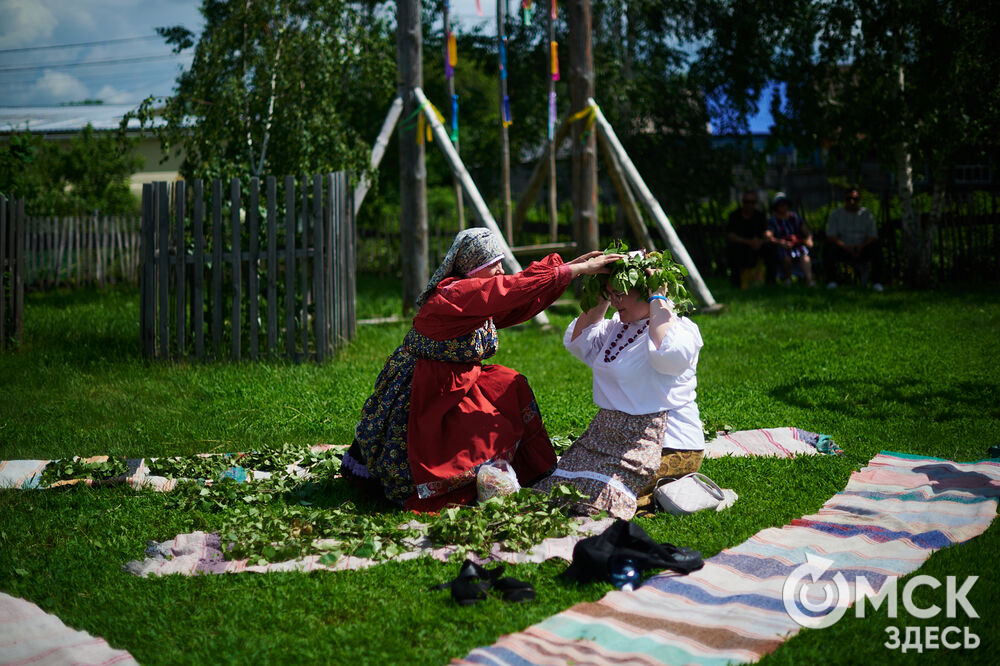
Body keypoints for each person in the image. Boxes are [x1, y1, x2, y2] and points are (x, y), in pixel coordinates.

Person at [343, 228, 622, 512]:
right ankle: (457, 479)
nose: (501, 271)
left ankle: (520, 468)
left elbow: (520, 300)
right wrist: (576, 269)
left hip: (457, 378)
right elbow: (511, 289)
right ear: (473, 267)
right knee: (476, 427)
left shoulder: (476, 296)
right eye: (493, 265)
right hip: (430, 387)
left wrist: (573, 267)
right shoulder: (457, 293)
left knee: (509, 384)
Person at [532, 255, 705, 520]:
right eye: (610, 293)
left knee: (596, 499)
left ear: (646, 292)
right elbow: (578, 342)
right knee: (561, 488)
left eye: (620, 293)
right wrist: (599, 293)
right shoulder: (616, 328)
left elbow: (668, 355)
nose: (614, 301)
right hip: (610, 436)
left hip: (664, 442)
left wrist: (658, 296)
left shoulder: (679, 330)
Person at [825, 188, 884, 291]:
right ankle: (832, 281)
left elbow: (873, 236)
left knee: (877, 248)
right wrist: (846, 247)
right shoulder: (836, 214)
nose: (852, 201)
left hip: (862, 247)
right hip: (843, 248)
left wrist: (861, 247)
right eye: (849, 198)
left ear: (859, 200)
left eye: (855, 199)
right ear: (844, 199)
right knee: (829, 248)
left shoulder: (866, 214)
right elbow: (831, 236)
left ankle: (877, 283)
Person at [765, 192, 816, 286]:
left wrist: (809, 239)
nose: (783, 206)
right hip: (782, 246)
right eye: (780, 204)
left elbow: (806, 231)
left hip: (797, 245)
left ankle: (809, 280)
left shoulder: (795, 217)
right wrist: (780, 242)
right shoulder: (772, 221)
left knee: (805, 256)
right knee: (786, 258)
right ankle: (787, 280)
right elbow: (768, 235)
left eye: (784, 204)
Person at [725, 190, 771, 288]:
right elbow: (731, 235)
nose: (749, 205)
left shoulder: (760, 216)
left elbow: (767, 231)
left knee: (770, 248)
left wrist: (762, 239)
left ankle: (770, 280)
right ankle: (737, 282)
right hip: (740, 245)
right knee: (733, 249)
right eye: (747, 202)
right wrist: (748, 242)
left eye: (752, 202)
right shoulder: (734, 216)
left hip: (758, 245)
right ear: (743, 202)